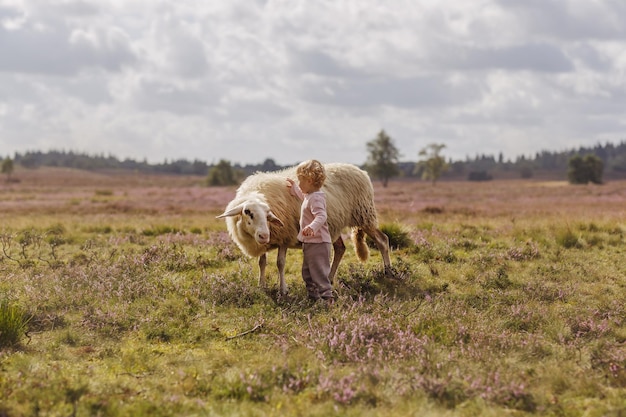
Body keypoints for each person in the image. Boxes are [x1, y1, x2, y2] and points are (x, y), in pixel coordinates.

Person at [286, 159, 333, 303]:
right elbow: (304, 198)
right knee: (307, 273)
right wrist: (295, 189)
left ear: (310, 181)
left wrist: (312, 227)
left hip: (318, 242)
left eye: (301, 181)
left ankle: (327, 300)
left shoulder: (317, 199)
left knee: (319, 274)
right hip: (311, 242)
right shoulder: (311, 196)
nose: (299, 184)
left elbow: (321, 216)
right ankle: (313, 299)